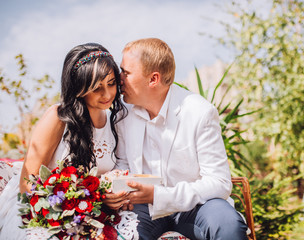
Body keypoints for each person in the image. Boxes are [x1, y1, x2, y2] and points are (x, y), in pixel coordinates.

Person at [107, 38, 249, 239]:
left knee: (227, 224)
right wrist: (118, 187)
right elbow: (122, 163)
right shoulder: (123, 114)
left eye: (126, 72)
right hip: (144, 209)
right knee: (121, 233)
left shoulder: (200, 112)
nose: (119, 78)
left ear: (153, 79)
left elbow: (219, 182)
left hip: (197, 207)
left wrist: (159, 195)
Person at [0, 43, 138, 240]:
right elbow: (27, 184)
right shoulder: (58, 117)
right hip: (41, 209)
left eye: (111, 83)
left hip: (91, 213)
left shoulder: (115, 122)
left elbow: (107, 181)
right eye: (97, 88)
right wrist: (63, 215)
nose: (107, 94)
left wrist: (115, 197)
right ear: (79, 88)